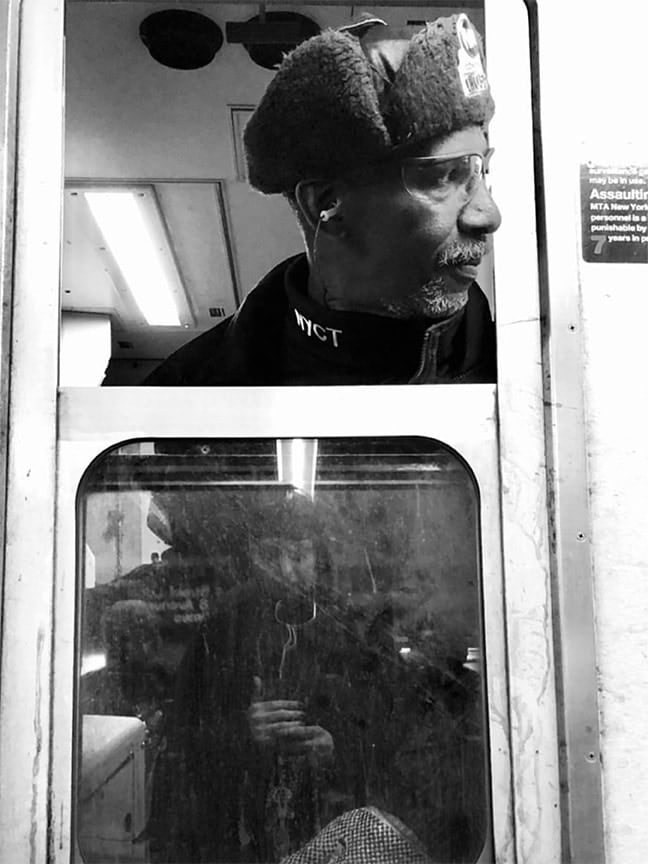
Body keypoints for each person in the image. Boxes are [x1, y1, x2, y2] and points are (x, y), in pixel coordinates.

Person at [145, 13, 501, 387]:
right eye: (445, 176)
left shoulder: (535, 371)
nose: (488, 215)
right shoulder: (181, 402)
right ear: (325, 204)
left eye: (481, 172)